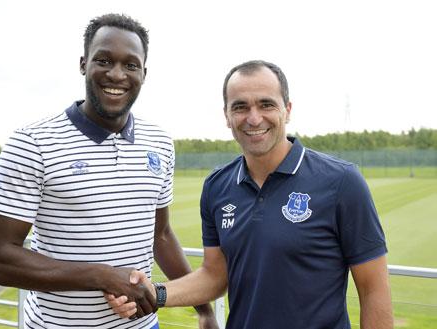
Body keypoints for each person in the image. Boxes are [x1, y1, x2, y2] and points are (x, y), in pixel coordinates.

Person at [107, 60, 394, 328]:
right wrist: (152, 293)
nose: (253, 118)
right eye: (240, 107)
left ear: (288, 109)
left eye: (266, 104)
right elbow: (215, 275)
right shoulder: (217, 186)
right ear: (227, 116)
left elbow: (374, 290)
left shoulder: (342, 181)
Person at [0, 13, 218, 329]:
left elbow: (160, 235)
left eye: (130, 65)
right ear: (84, 64)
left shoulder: (159, 142)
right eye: (104, 60)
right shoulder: (33, 142)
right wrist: (103, 276)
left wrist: (204, 310)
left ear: (144, 73)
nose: (117, 74)